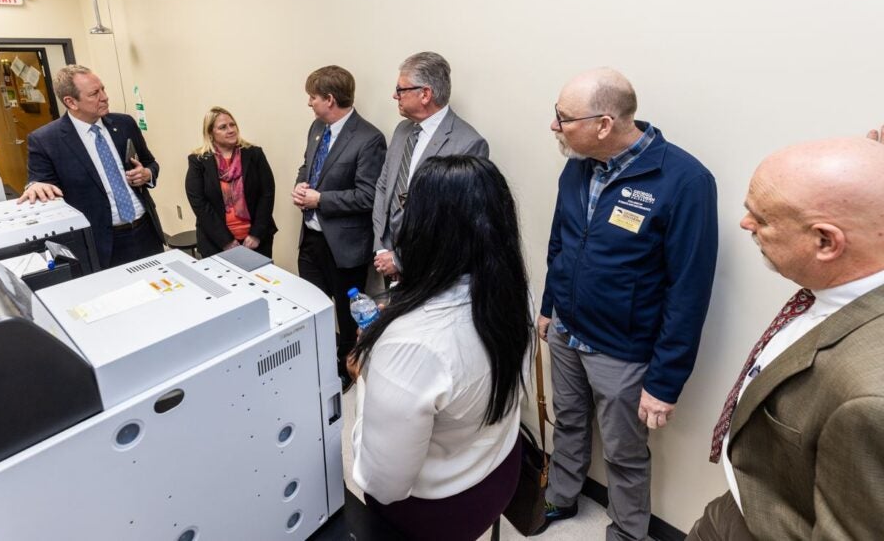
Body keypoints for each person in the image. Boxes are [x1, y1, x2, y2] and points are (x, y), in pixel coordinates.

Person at [539, 68, 718, 540]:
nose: (555, 127)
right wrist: (547, 305)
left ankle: (627, 531)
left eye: (564, 118)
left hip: (622, 351)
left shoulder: (684, 180)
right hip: (566, 330)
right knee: (569, 421)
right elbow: (559, 241)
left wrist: (665, 381)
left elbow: (689, 290)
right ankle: (561, 493)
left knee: (624, 452)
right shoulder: (577, 164)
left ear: (603, 123)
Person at [689, 137, 884, 541]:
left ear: (826, 242)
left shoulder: (867, 399)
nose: (746, 225)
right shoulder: (839, 284)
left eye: (761, 219)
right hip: (749, 500)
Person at [350, 155, 534, 541]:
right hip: (499, 468)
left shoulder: (410, 345)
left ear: (425, 229)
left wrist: (367, 375)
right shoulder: (510, 295)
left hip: (438, 509)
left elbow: (382, 484)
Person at [293, 65, 386, 388]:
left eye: (313, 97)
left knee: (347, 319)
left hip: (345, 246)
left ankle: (346, 370)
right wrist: (301, 186)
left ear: (330, 99)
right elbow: (307, 165)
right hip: (312, 240)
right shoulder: (317, 128)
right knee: (310, 307)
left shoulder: (369, 139)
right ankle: (316, 363)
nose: (309, 103)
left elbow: (367, 195)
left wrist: (321, 200)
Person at [18, 65, 164, 269]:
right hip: (101, 242)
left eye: (103, 89)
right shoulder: (46, 140)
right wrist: (34, 186)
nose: (104, 97)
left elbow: (150, 163)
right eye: (95, 93)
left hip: (145, 231)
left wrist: (147, 173)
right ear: (71, 102)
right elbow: (39, 182)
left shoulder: (125, 124)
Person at [371, 51, 488, 278]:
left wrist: (400, 260)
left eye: (400, 90)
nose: (395, 96)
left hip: (429, 271)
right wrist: (382, 248)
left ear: (425, 94)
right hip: (386, 259)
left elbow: (455, 224)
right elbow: (383, 188)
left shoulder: (468, 145)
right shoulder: (402, 131)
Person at [184, 107, 276, 258]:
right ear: (210, 133)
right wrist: (226, 241)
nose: (231, 130)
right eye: (223, 127)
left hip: (255, 241)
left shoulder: (254, 154)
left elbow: (267, 194)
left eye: (232, 125)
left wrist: (255, 235)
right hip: (215, 242)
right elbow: (198, 202)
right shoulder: (198, 160)